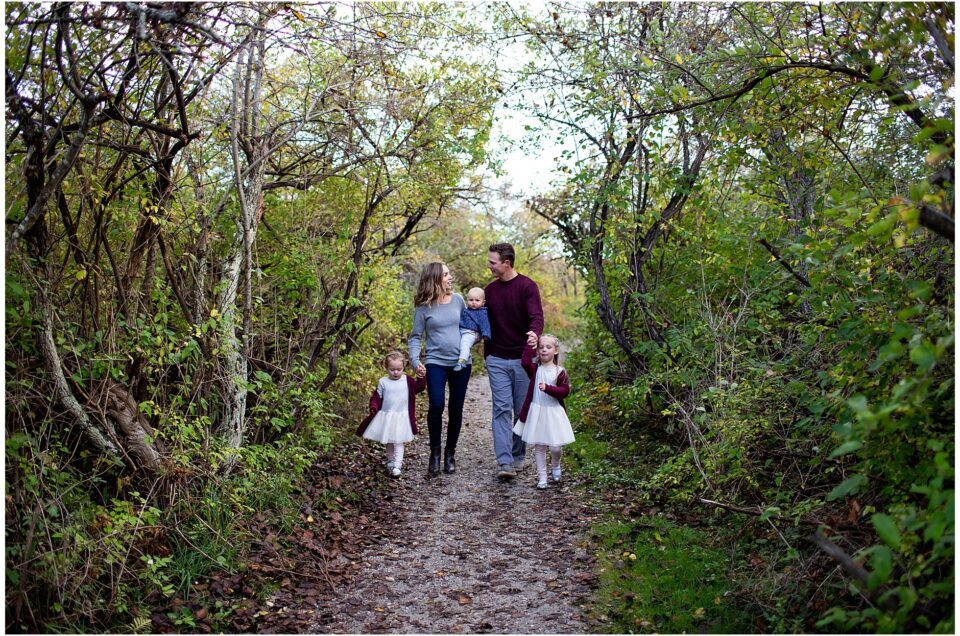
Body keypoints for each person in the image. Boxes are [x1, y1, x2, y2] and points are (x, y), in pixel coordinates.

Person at [484, 243, 544, 480]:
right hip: (496, 358)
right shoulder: (489, 291)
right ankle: (504, 462)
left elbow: (536, 316)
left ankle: (518, 455)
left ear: (506, 263)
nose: (489, 266)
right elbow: (480, 318)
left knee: (521, 411)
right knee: (501, 409)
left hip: (521, 360)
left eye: (492, 262)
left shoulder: (527, 287)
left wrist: (535, 334)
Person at [408, 262, 471, 476]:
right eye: (446, 274)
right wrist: (415, 361)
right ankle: (434, 454)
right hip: (435, 361)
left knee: (456, 408)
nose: (450, 277)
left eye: (449, 273)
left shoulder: (458, 301)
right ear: (435, 279)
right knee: (436, 405)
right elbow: (415, 337)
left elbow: (469, 327)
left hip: (461, 363)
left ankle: (450, 453)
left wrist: (475, 338)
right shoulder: (423, 307)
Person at [513, 334, 574, 489]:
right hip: (537, 412)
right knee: (539, 446)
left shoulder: (560, 372)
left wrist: (548, 388)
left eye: (548, 347)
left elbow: (564, 392)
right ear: (538, 351)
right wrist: (530, 345)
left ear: (555, 351)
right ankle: (542, 478)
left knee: (555, 447)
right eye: (541, 347)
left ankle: (555, 464)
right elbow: (525, 362)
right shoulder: (535, 369)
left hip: (553, 412)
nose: (544, 350)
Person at [356, 351, 427, 478]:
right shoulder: (383, 382)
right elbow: (376, 397)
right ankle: (391, 460)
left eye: (399, 369)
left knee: (398, 441)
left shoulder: (408, 381)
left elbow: (419, 388)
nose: (396, 372)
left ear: (403, 367)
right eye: (392, 369)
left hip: (402, 417)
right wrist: (373, 407)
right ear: (386, 368)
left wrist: (421, 377)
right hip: (387, 416)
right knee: (388, 440)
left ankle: (398, 465)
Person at [454, 287, 490, 372]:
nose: (473, 302)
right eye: (471, 300)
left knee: (465, 344)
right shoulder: (466, 310)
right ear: (467, 300)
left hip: (470, 333)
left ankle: (462, 361)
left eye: (477, 300)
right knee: (458, 344)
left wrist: (485, 334)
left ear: (483, 302)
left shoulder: (482, 312)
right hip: (461, 331)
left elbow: (485, 324)